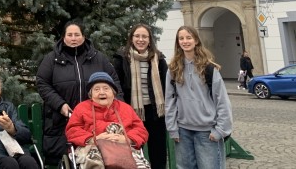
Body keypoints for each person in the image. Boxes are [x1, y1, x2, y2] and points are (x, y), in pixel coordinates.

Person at [36, 19, 122, 165]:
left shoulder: (98, 58)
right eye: (70, 35)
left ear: (84, 36)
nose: (73, 38)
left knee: (98, 159)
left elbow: (114, 84)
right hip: (62, 119)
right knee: (68, 160)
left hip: (97, 119)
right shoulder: (51, 59)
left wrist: (117, 108)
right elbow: (42, 83)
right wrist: (60, 105)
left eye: (77, 34)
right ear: (63, 37)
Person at [165, 25, 232, 169]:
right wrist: (172, 128)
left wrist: (220, 130)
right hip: (183, 131)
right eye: (181, 38)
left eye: (188, 37)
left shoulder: (209, 68)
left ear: (196, 40)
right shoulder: (173, 69)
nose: (185, 41)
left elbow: (222, 101)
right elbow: (170, 100)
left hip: (207, 131)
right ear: (178, 43)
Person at [112, 23, 167, 169]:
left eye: (144, 36)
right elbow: (116, 86)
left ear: (150, 40)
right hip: (132, 113)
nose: (140, 39)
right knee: (134, 152)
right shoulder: (121, 58)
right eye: (137, 36)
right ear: (131, 38)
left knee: (158, 152)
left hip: (156, 112)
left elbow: (166, 85)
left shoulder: (159, 58)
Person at [65, 71, 148, 151]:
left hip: (125, 150)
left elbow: (141, 130)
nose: (101, 92)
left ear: (113, 93)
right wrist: (93, 140)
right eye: (96, 89)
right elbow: (72, 130)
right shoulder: (81, 108)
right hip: (92, 150)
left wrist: (127, 139)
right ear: (91, 94)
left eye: (106, 88)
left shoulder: (126, 108)